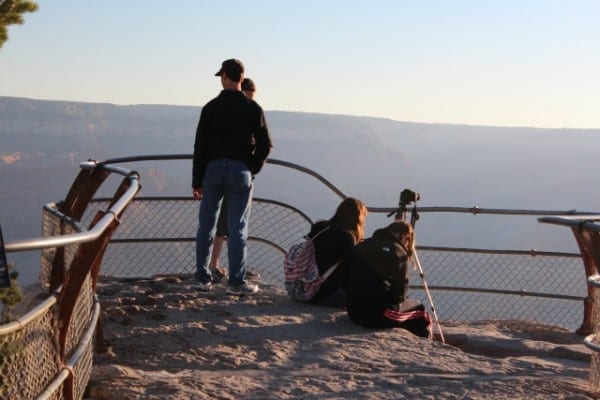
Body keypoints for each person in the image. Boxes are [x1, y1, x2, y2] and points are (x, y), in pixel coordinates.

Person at [193, 59, 272, 295]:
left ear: (226, 76)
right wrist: (251, 167)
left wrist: (197, 181)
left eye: (221, 76)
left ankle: (202, 277)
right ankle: (236, 283)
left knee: (206, 224)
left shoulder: (210, 108)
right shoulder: (253, 108)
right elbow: (266, 144)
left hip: (214, 170)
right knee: (237, 227)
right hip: (240, 171)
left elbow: (200, 147)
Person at [208, 76, 258, 283]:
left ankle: (216, 266)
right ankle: (219, 267)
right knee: (231, 224)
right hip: (237, 173)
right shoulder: (246, 112)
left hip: (226, 172)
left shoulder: (224, 109)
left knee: (226, 223)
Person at [345, 221, 432, 338]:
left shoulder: (363, 245)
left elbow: (345, 279)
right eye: (408, 240)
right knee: (419, 309)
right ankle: (426, 342)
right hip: (378, 315)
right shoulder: (399, 253)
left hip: (353, 311)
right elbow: (400, 294)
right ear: (405, 236)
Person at [307, 197, 367, 307]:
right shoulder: (346, 236)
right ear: (358, 218)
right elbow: (352, 269)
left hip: (305, 287)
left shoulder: (319, 227)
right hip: (325, 294)